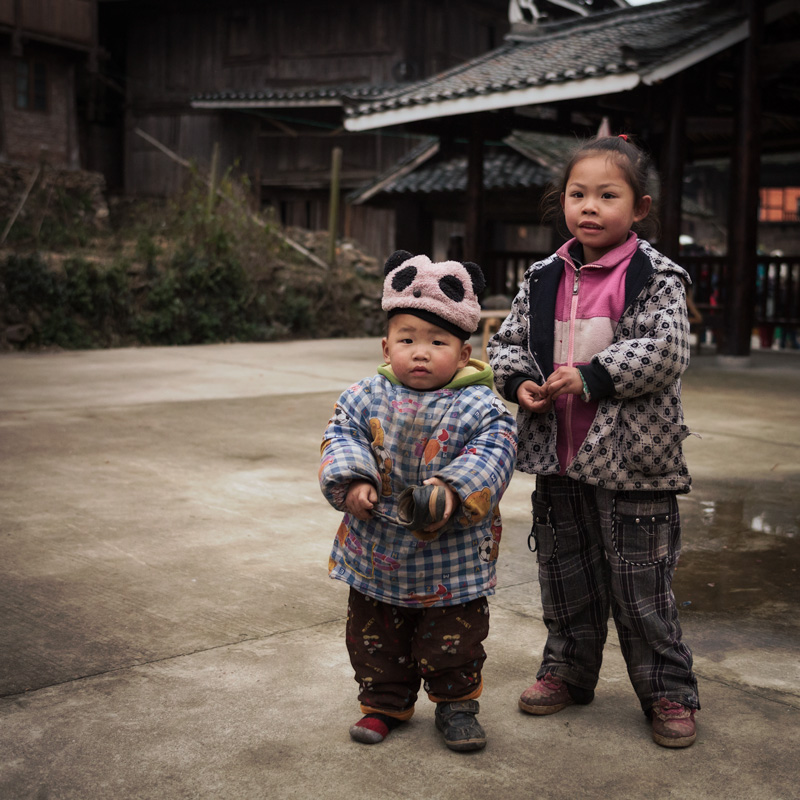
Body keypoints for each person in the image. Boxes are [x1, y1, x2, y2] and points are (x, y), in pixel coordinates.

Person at [487, 134, 700, 748]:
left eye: (608, 195)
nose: (590, 206)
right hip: (560, 458)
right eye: (578, 194)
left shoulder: (654, 275)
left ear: (639, 208)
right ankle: (568, 671)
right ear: (563, 202)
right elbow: (507, 344)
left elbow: (666, 350)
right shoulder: (543, 276)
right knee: (565, 574)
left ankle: (667, 690)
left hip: (635, 462)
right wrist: (522, 380)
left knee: (641, 583)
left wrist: (591, 375)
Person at [319, 250, 517, 752]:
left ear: (467, 351)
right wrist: (354, 480)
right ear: (386, 347)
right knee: (374, 637)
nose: (421, 352)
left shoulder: (480, 402)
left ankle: (455, 706)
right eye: (407, 340)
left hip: (450, 557)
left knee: (453, 637)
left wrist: (452, 489)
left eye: (437, 342)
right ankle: (384, 702)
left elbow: (495, 450)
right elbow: (342, 434)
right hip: (376, 550)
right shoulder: (365, 395)